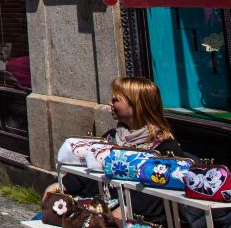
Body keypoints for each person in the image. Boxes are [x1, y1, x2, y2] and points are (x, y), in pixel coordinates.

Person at [42, 77, 183, 224]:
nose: (110, 103)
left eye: (116, 99)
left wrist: (124, 209)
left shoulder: (165, 149)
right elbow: (88, 172)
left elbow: (153, 199)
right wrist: (64, 184)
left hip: (139, 219)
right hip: (100, 209)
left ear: (137, 105)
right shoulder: (110, 137)